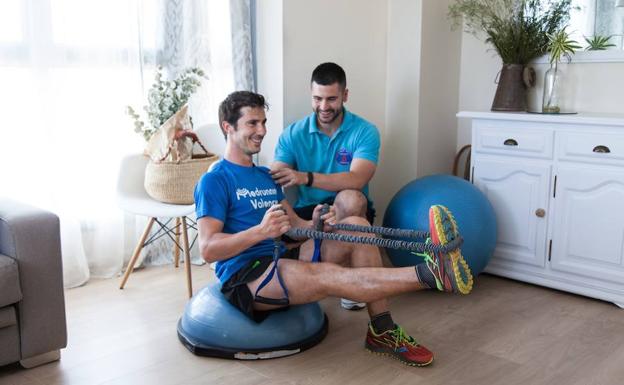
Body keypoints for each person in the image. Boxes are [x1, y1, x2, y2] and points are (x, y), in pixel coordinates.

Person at [195, 91, 470, 367]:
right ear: (227, 127)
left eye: (264, 122)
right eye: (252, 124)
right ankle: (430, 273)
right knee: (327, 275)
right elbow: (208, 249)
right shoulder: (215, 180)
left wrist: (315, 224)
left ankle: (382, 330)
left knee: (358, 227)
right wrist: (260, 232)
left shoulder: (265, 176)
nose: (262, 131)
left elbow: (294, 227)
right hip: (248, 274)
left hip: (282, 256)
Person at [271, 62, 380, 310]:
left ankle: (347, 278)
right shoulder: (292, 134)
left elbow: (357, 179)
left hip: (349, 210)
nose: (323, 106)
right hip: (308, 210)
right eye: (317, 98)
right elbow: (275, 177)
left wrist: (305, 177)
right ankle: (322, 275)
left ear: (345, 95)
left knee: (352, 197)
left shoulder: (365, 131)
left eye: (331, 99)